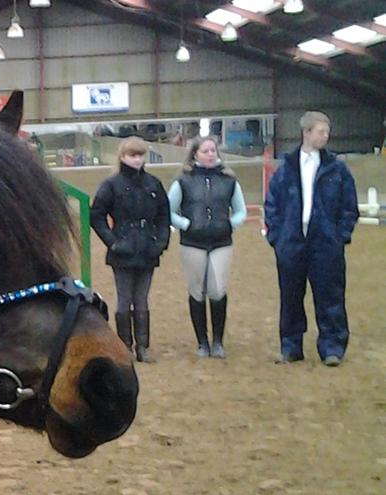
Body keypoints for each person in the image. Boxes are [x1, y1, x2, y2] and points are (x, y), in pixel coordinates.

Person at [263, 110, 359, 365]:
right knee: (291, 296)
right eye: (320, 131)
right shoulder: (285, 170)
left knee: (330, 296)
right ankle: (291, 347)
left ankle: (332, 347)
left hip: (326, 243)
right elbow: (271, 204)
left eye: (327, 132)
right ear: (306, 133)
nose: (325, 136)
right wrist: (277, 236)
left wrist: (340, 236)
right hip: (292, 242)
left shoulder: (337, 170)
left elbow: (349, 207)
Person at [90, 135, 170, 362]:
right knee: (124, 299)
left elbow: (164, 214)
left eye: (140, 155)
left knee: (142, 299)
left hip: (148, 249)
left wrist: (161, 242)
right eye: (132, 155)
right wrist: (113, 242)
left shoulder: (153, 183)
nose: (137, 160)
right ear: (123, 157)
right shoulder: (111, 184)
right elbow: (96, 215)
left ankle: (143, 347)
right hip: (122, 250)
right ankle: (125, 345)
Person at [168, 136, 246, 358]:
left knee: (218, 288)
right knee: (197, 290)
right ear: (195, 154)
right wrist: (185, 224)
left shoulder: (229, 180)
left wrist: (231, 224)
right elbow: (168, 209)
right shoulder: (183, 181)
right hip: (192, 242)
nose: (211, 154)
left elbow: (240, 210)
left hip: (221, 241)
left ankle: (218, 341)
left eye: (213, 150)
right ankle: (202, 341)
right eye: (206, 151)